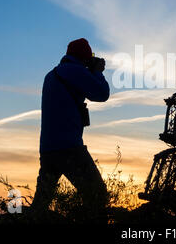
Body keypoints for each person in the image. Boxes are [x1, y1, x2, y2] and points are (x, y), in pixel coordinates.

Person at [30, 38, 110, 222]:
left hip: (48, 149)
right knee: (97, 194)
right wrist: (97, 72)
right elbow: (101, 94)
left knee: (41, 202)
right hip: (69, 147)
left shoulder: (52, 74)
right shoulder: (75, 71)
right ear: (85, 57)